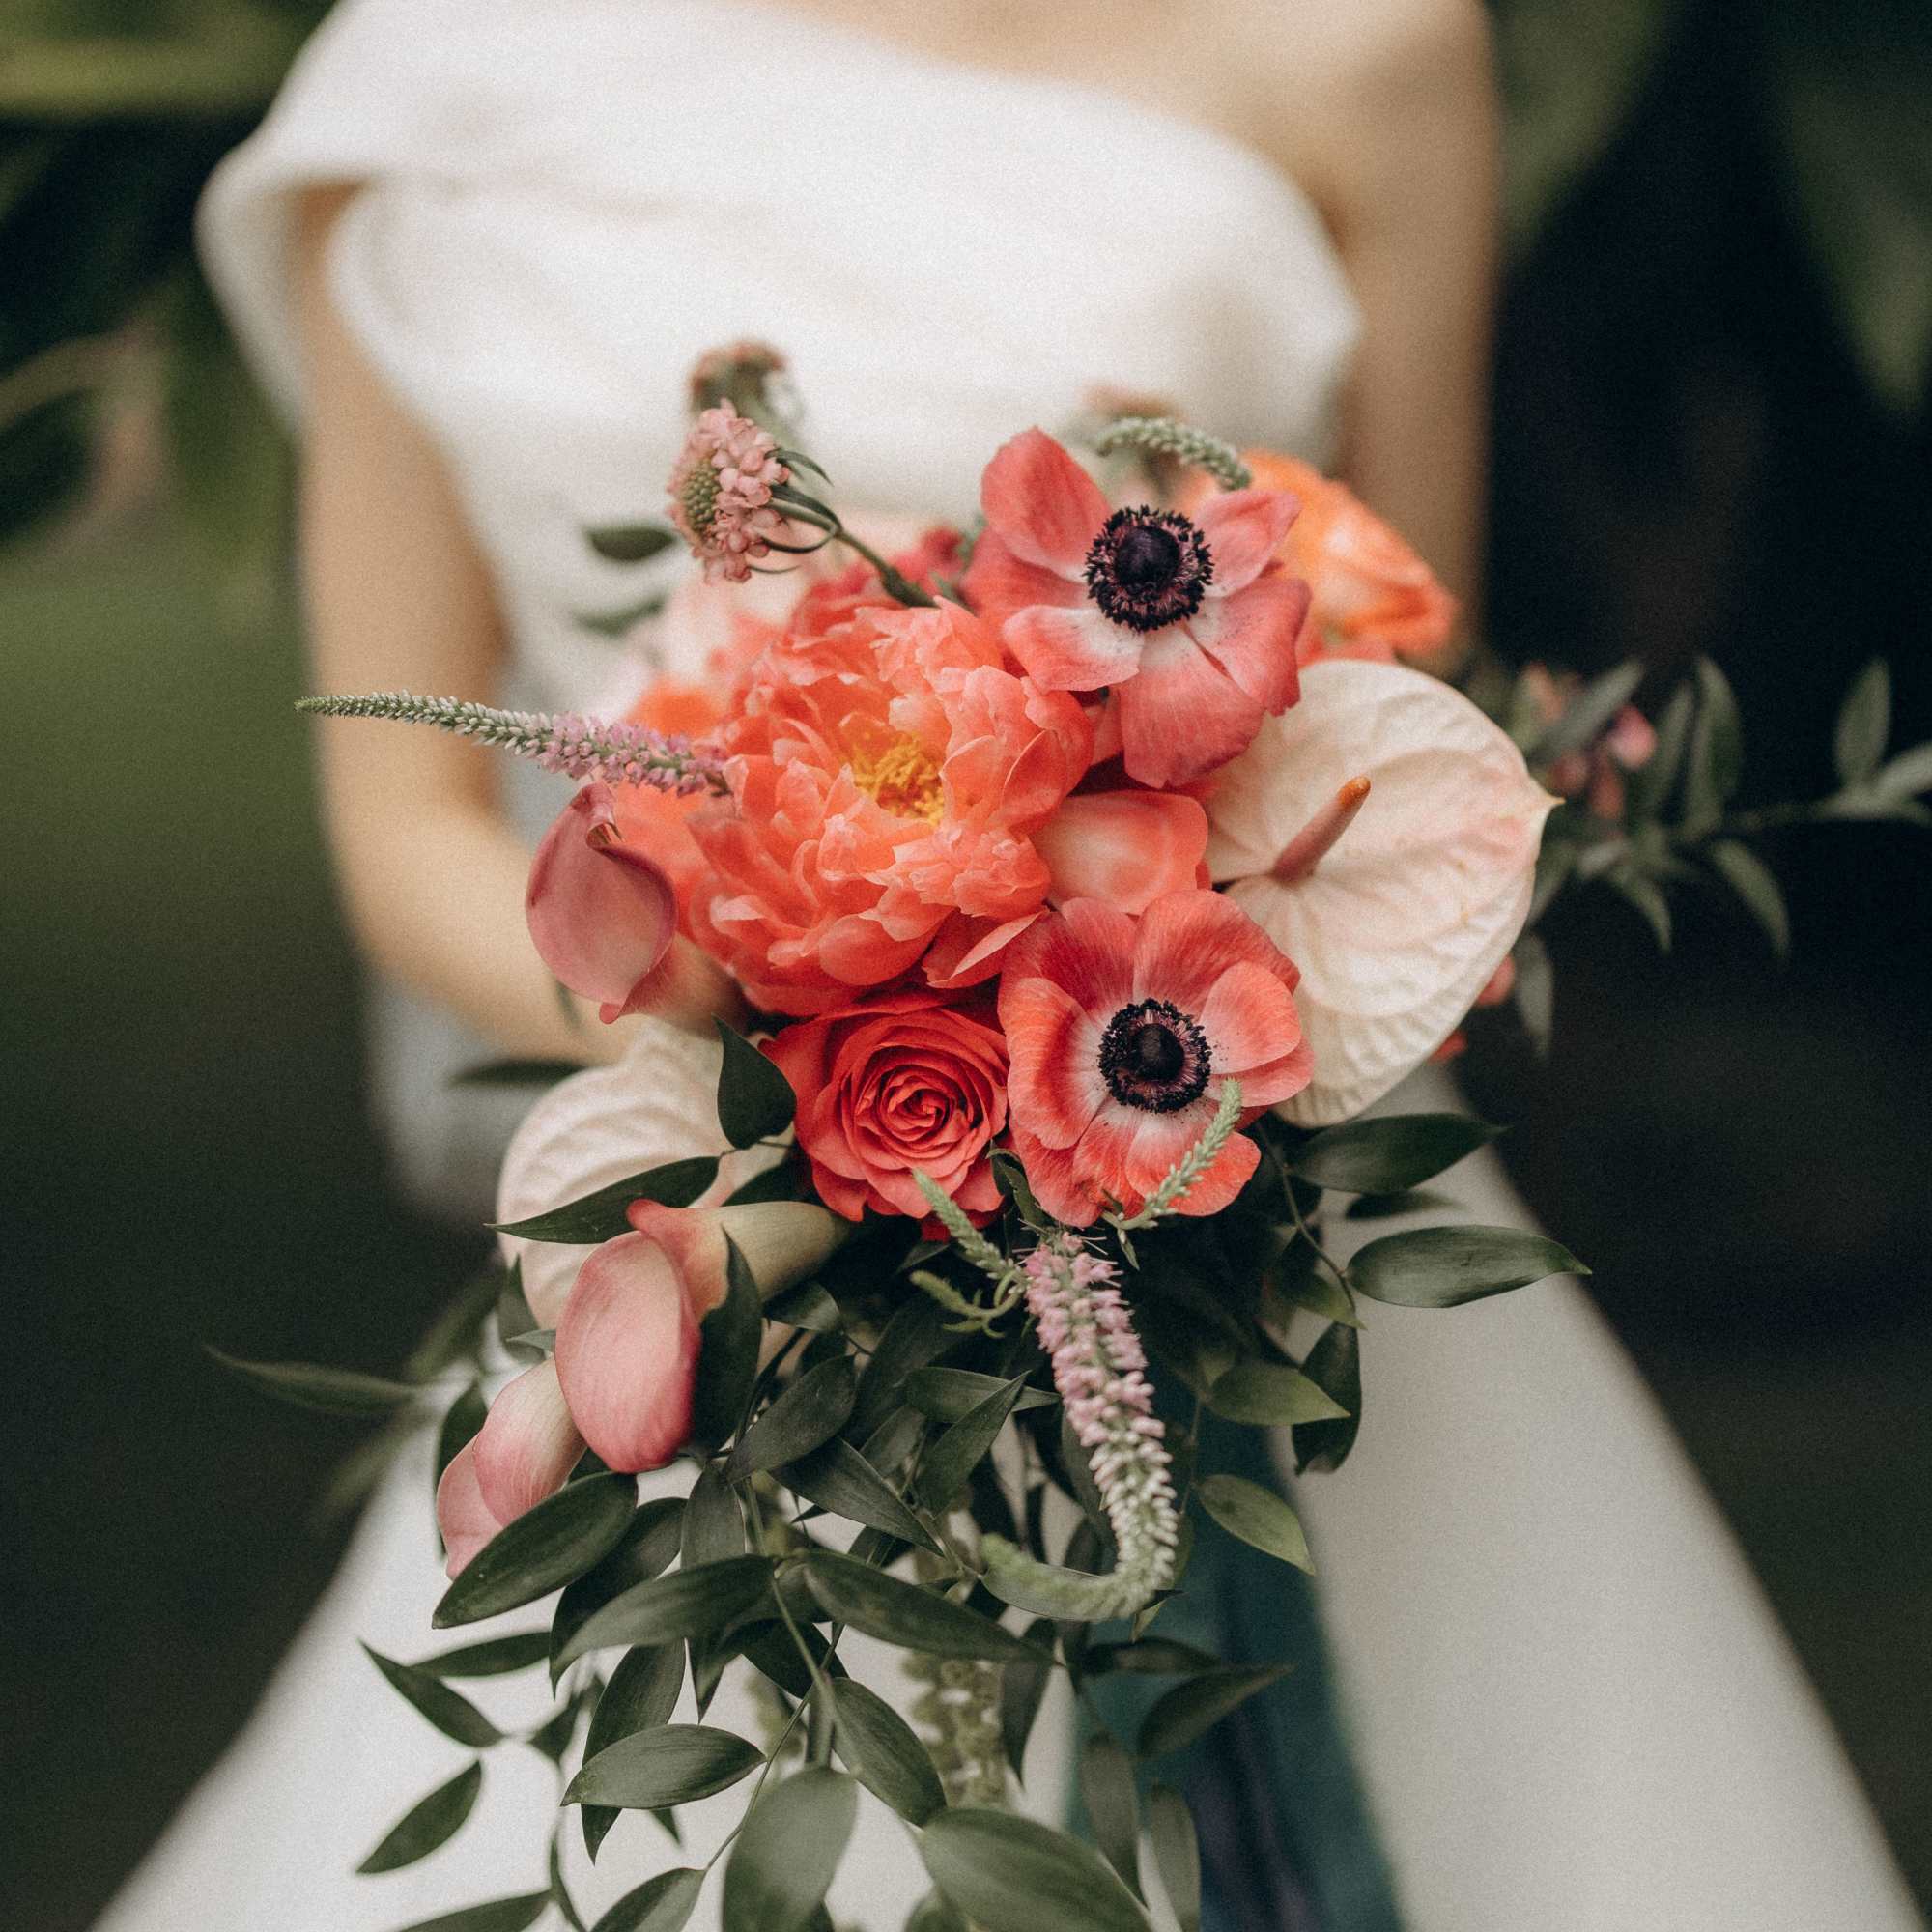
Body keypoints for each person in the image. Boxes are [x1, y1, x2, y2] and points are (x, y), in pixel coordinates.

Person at [95, 2, 1922, 1928]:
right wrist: (794, 1038)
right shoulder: (433, 73)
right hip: (724, 1225)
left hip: (1243, 1183)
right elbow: (404, 835)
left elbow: (1394, 718)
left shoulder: (1370, 45)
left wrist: (1091, 945)